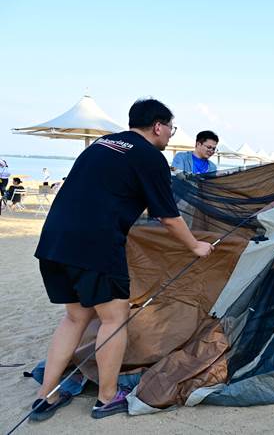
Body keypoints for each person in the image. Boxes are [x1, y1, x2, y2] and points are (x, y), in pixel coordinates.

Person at [31, 98, 214, 422]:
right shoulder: (150, 156)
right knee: (114, 319)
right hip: (96, 246)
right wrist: (195, 246)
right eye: (171, 128)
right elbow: (168, 216)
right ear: (157, 126)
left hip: (54, 241)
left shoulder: (101, 144)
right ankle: (106, 397)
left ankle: (46, 395)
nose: (170, 134)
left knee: (75, 317)